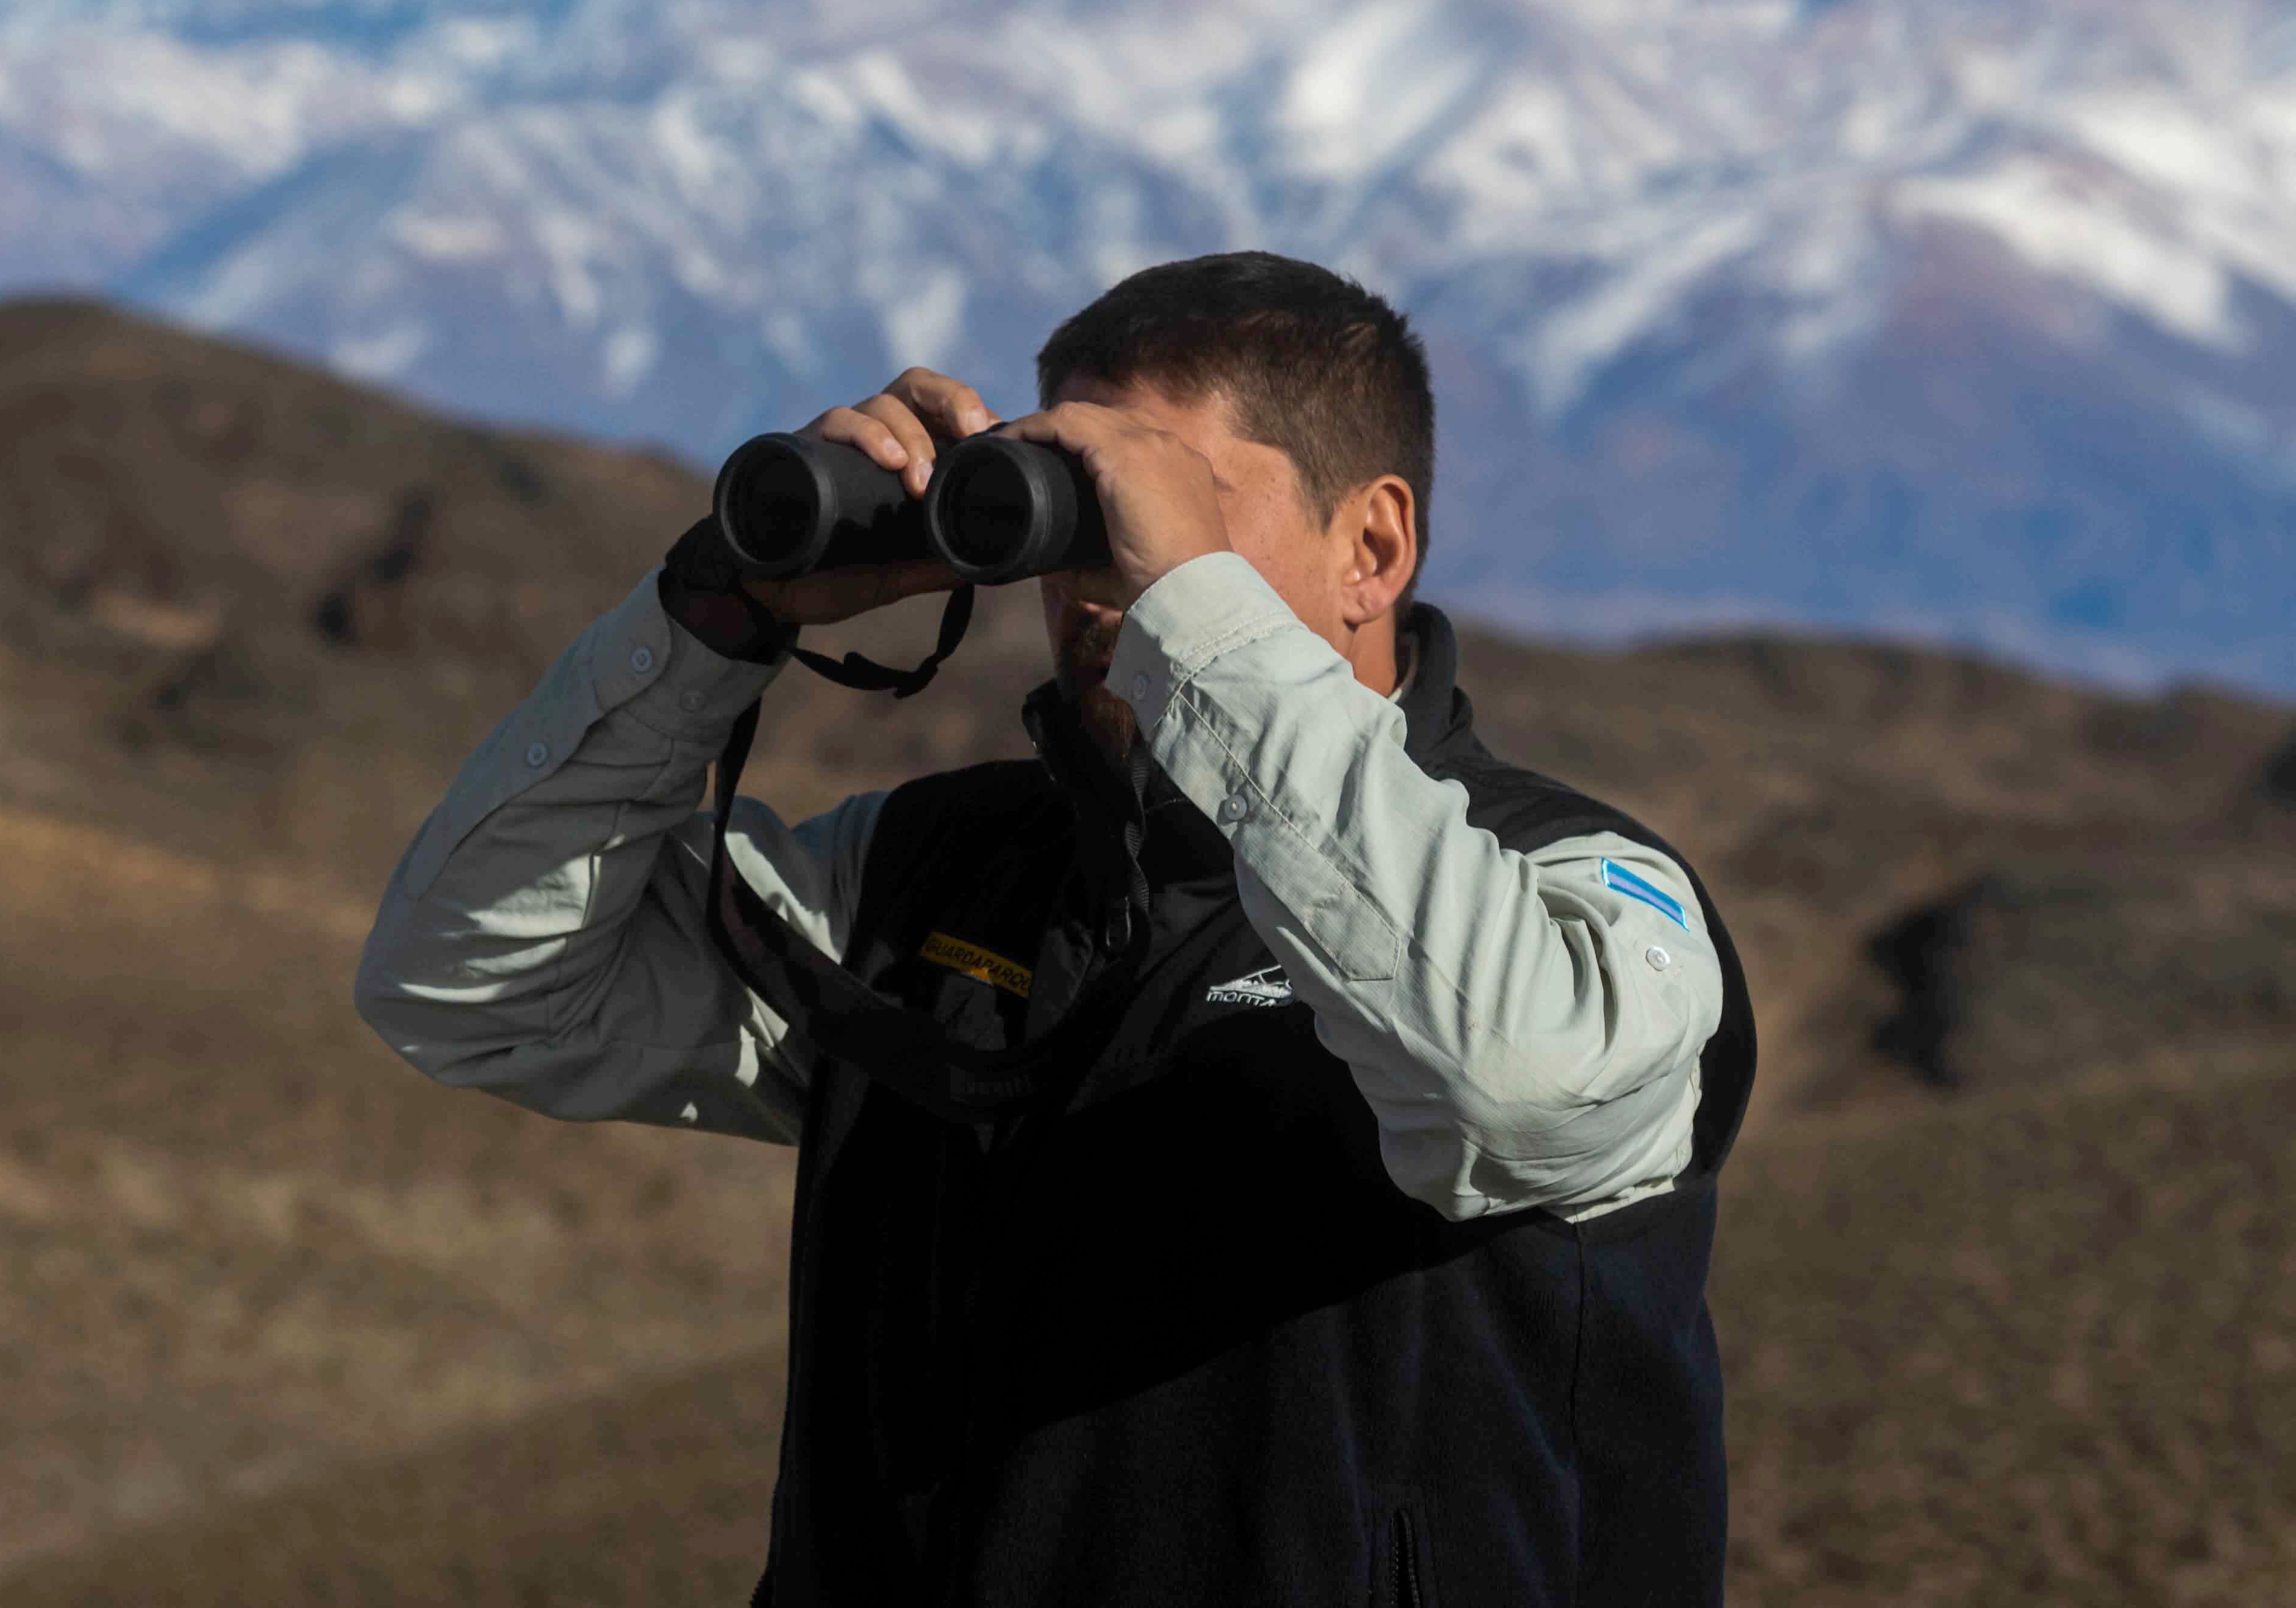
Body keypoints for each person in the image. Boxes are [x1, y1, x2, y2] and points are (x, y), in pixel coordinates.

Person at [355, 251, 1756, 1607]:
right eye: (1068, 508)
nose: (1102, 577)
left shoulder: (1573, 888)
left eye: (1156, 506)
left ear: (1372, 545)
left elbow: (1521, 1095)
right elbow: (478, 984)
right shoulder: (936, 873)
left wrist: (1197, 626)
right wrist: (717, 612)